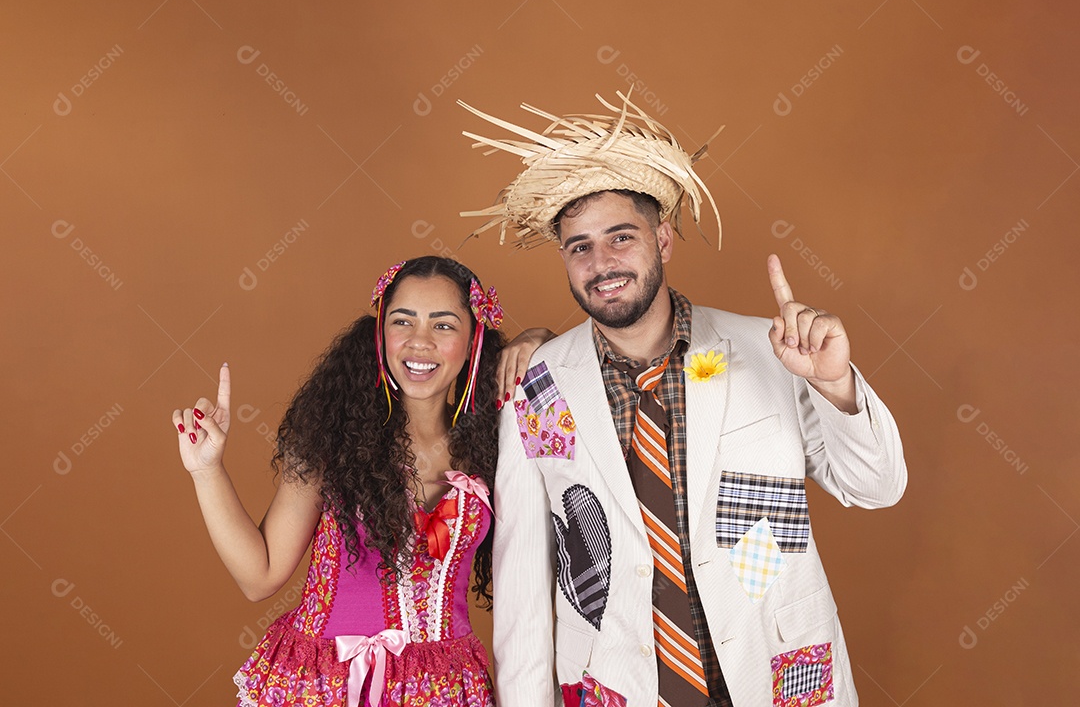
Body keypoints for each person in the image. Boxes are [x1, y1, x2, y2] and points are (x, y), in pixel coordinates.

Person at [459, 93, 907, 706]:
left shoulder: (767, 351)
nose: (602, 263)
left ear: (663, 240)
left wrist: (835, 384)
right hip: (619, 685)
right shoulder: (540, 386)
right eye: (580, 247)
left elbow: (876, 487)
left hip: (776, 672)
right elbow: (522, 593)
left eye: (621, 237)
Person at [172, 256, 541, 707]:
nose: (419, 342)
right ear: (381, 333)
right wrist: (206, 469)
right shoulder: (333, 433)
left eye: (443, 326)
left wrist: (545, 342)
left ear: (473, 340)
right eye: (402, 321)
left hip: (444, 688)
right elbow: (260, 576)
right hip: (325, 685)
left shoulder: (500, 436)